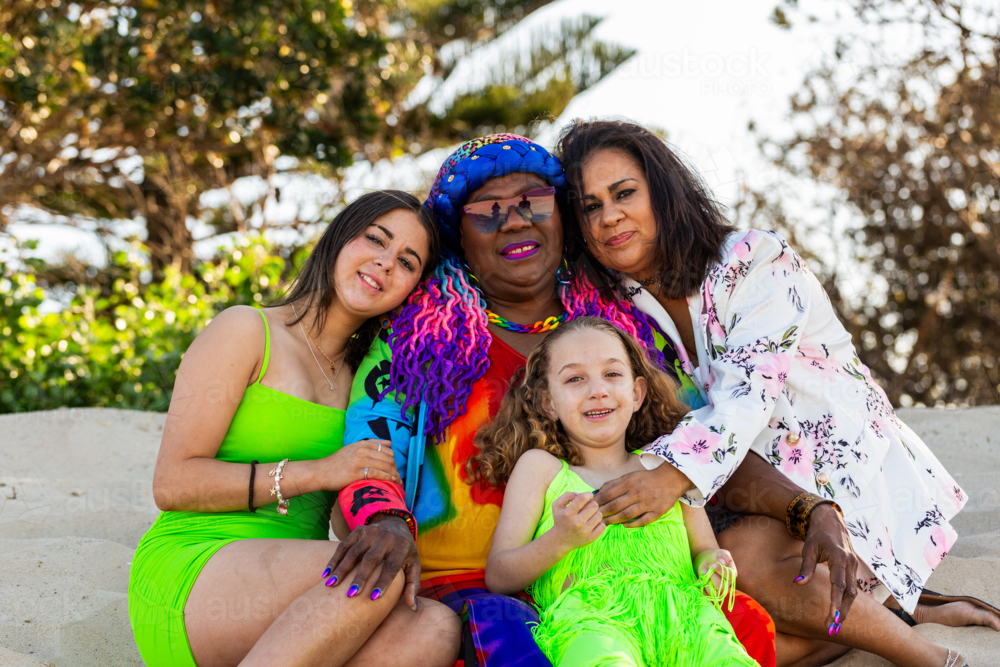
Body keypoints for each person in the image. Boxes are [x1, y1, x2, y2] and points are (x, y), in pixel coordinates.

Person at [556, 119, 999, 667]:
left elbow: (748, 394)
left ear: (663, 192)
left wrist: (668, 478)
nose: (608, 217)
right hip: (737, 487)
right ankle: (894, 611)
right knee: (713, 604)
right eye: (589, 206)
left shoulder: (756, 260)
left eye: (624, 194)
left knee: (737, 561)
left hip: (840, 470)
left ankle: (923, 651)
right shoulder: (613, 306)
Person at [323, 134, 777, 666]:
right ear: (458, 238)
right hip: (465, 591)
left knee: (745, 620)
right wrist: (385, 521)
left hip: (628, 593)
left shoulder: (623, 331)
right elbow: (368, 452)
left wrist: (800, 507)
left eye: (533, 203)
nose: (515, 221)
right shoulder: (417, 340)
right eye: (488, 212)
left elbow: (704, 438)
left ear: (561, 219)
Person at [128, 191, 461, 667]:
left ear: (413, 287)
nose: (385, 264)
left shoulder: (370, 386)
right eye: (375, 239)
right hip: (194, 567)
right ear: (338, 239)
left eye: (407, 262)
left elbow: (346, 523)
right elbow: (173, 484)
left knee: (433, 628)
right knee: (376, 578)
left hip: (303, 602)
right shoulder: (246, 330)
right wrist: (319, 472)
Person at [479, 317, 757, 667]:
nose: (598, 390)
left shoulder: (668, 467)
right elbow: (499, 576)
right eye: (575, 379)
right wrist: (560, 539)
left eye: (612, 374)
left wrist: (712, 565)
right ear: (548, 402)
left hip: (688, 619)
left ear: (637, 393)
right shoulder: (541, 469)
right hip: (591, 623)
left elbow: (703, 549)